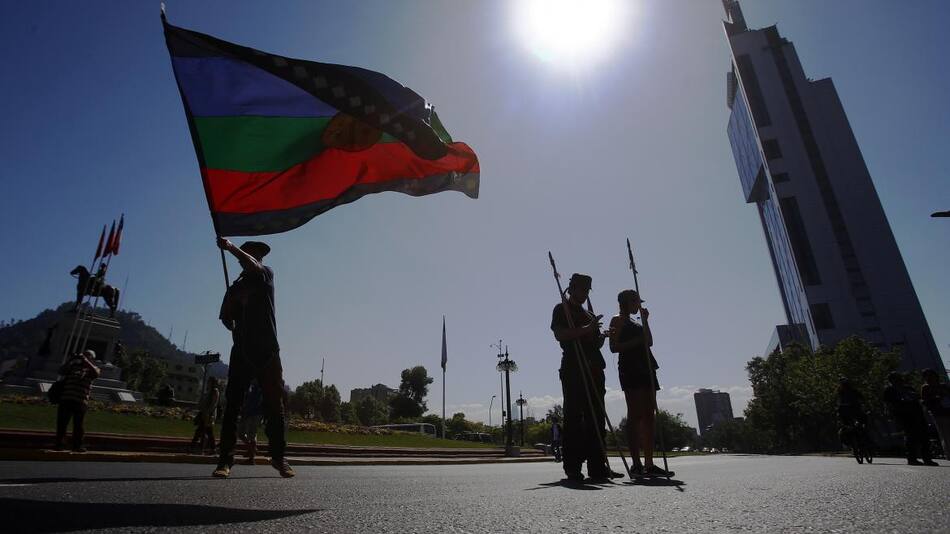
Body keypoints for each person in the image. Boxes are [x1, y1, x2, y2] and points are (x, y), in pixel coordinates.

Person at [214, 237, 294, 478]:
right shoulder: (236, 287)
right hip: (242, 350)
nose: (251, 257)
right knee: (233, 405)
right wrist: (233, 309)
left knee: (274, 405)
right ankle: (225, 461)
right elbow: (225, 318)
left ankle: (279, 457)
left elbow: (254, 267)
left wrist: (230, 247)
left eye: (253, 254)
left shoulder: (265, 274)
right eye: (249, 253)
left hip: (268, 350)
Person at [550, 273, 619, 481]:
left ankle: (598, 466)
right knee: (574, 417)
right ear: (571, 288)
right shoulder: (562, 309)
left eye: (587, 290)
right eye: (580, 289)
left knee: (596, 418)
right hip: (573, 366)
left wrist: (603, 336)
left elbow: (595, 343)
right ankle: (573, 467)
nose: (584, 293)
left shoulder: (589, 314)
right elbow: (560, 335)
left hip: (595, 368)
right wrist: (585, 330)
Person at [608, 289, 672, 478]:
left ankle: (649, 463)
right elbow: (613, 347)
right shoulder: (617, 320)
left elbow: (649, 342)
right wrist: (637, 341)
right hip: (630, 368)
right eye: (635, 302)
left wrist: (645, 321)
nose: (638, 305)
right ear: (626, 302)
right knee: (635, 414)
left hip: (646, 366)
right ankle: (636, 464)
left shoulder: (637, 321)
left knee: (649, 415)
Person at [884, 372, 937, 466]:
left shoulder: (908, 388)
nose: (898, 380)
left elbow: (918, 398)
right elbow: (888, 404)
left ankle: (927, 459)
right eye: (895, 379)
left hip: (917, 413)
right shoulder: (889, 390)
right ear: (891, 380)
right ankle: (912, 458)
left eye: (898, 378)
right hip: (904, 415)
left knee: (924, 436)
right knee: (911, 436)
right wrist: (891, 414)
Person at [55, 349, 101, 452]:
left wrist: (85, 361)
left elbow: (96, 373)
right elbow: (61, 371)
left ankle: (77, 445)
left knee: (78, 426)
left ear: (92, 359)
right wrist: (70, 360)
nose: (84, 356)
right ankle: (59, 444)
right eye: (84, 355)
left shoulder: (93, 369)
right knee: (62, 423)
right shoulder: (72, 367)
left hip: (80, 400)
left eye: (88, 355)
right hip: (66, 398)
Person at [836, 377, 870, 454]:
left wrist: (864, 405)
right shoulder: (840, 392)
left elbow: (862, 398)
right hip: (845, 411)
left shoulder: (854, 391)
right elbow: (839, 402)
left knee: (863, 421)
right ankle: (853, 445)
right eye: (843, 384)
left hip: (855, 409)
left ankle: (864, 439)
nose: (844, 386)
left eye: (845, 384)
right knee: (845, 428)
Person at [920, 368, 949, 459]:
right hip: (938, 413)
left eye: (932, 375)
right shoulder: (926, 387)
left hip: (948, 410)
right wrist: (935, 398)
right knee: (945, 434)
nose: (930, 377)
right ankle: (948, 453)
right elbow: (925, 401)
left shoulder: (943, 385)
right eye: (927, 375)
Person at [190, 377, 220, 454]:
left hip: (209, 415)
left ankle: (195, 447)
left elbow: (214, 404)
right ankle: (211, 448)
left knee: (201, 431)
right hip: (204, 413)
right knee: (207, 432)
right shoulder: (208, 391)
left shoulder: (215, 391)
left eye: (209, 382)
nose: (208, 383)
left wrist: (208, 412)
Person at [238, 381, 265, 465]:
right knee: (253, 434)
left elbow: (251, 402)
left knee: (241, 433)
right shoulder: (259, 387)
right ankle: (251, 451)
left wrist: (245, 412)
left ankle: (252, 452)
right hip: (257, 413)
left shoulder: (255, 388)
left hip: (252, 413)